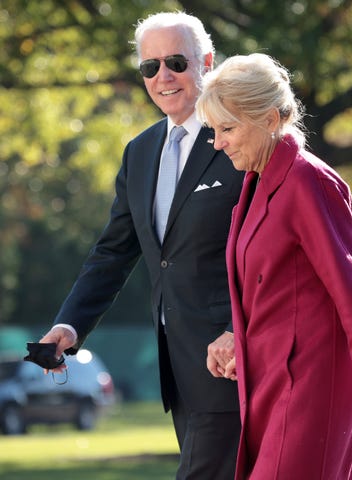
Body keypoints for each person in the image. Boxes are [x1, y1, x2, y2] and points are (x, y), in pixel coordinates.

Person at [38, 12, 244, 480]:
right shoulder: (140, 151)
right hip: (178, 366)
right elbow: (113, 252)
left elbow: (270, 251)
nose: (163, 77)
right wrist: (70, 326)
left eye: (175, 61)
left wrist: (238, 329)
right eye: (150, 67)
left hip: (233, 357)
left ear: (207, 62)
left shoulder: (241, 140)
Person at [197, 53, 352, 479]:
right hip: (270, 385)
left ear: (271, 119)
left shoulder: (309, 180)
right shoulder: (255, 185)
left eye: (228, 128)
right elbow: (275, 290)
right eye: (214, 131)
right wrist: (239, 338)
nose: (218, 143)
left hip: (312, 388)